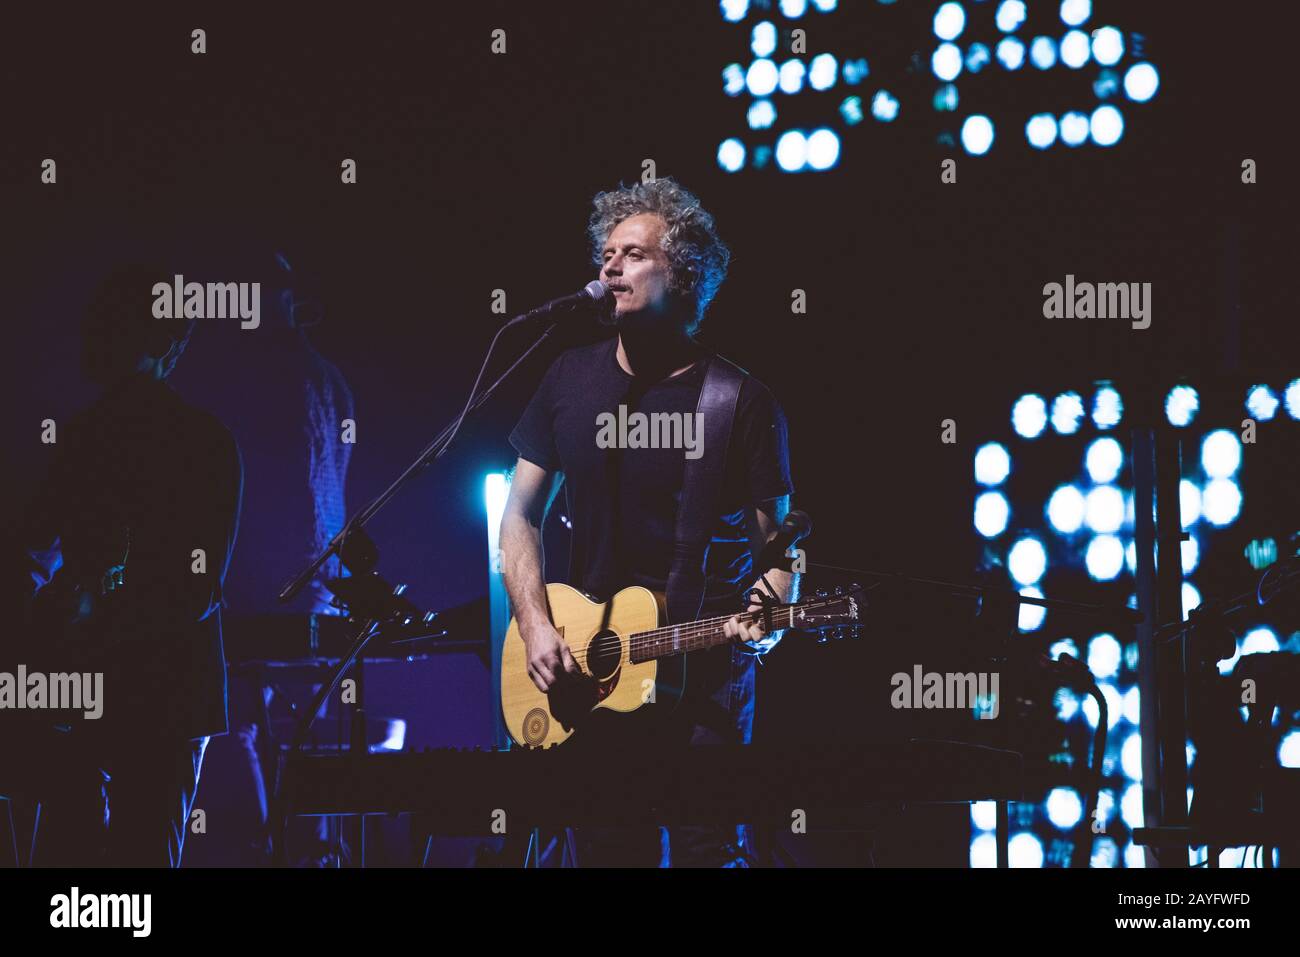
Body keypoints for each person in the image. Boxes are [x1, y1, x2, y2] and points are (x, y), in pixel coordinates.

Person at [499, 178, 797, 866]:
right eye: (606, 253)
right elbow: (518, 515)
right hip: (591, 673)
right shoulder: (567, 377)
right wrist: (537, 623)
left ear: (684, 272)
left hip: (704, 674)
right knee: (608, 852)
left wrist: (776, 601)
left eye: (633, 254)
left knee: (705, 851)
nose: (610, 267)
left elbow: (779, 547)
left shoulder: (740, 400)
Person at [0, 264, 243, 866]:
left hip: (118, 690)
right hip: (156, 691)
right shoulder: (202, 441)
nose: (91, 335)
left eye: (108, 324)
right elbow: (196, 587)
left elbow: (32, 551)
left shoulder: (86, 437)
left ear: (159, 343)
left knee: (78, 862)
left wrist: (68, 620)